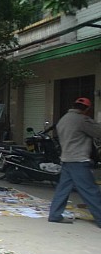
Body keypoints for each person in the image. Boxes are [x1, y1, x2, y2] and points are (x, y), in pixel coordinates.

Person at [48, 97, 101, 226]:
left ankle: (55, 215)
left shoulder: (64, 119)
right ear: (87, 109)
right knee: (90, 190)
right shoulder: (82, 120)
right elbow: (98, 132)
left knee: (63, 190)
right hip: (78, 160)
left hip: (66, 159)